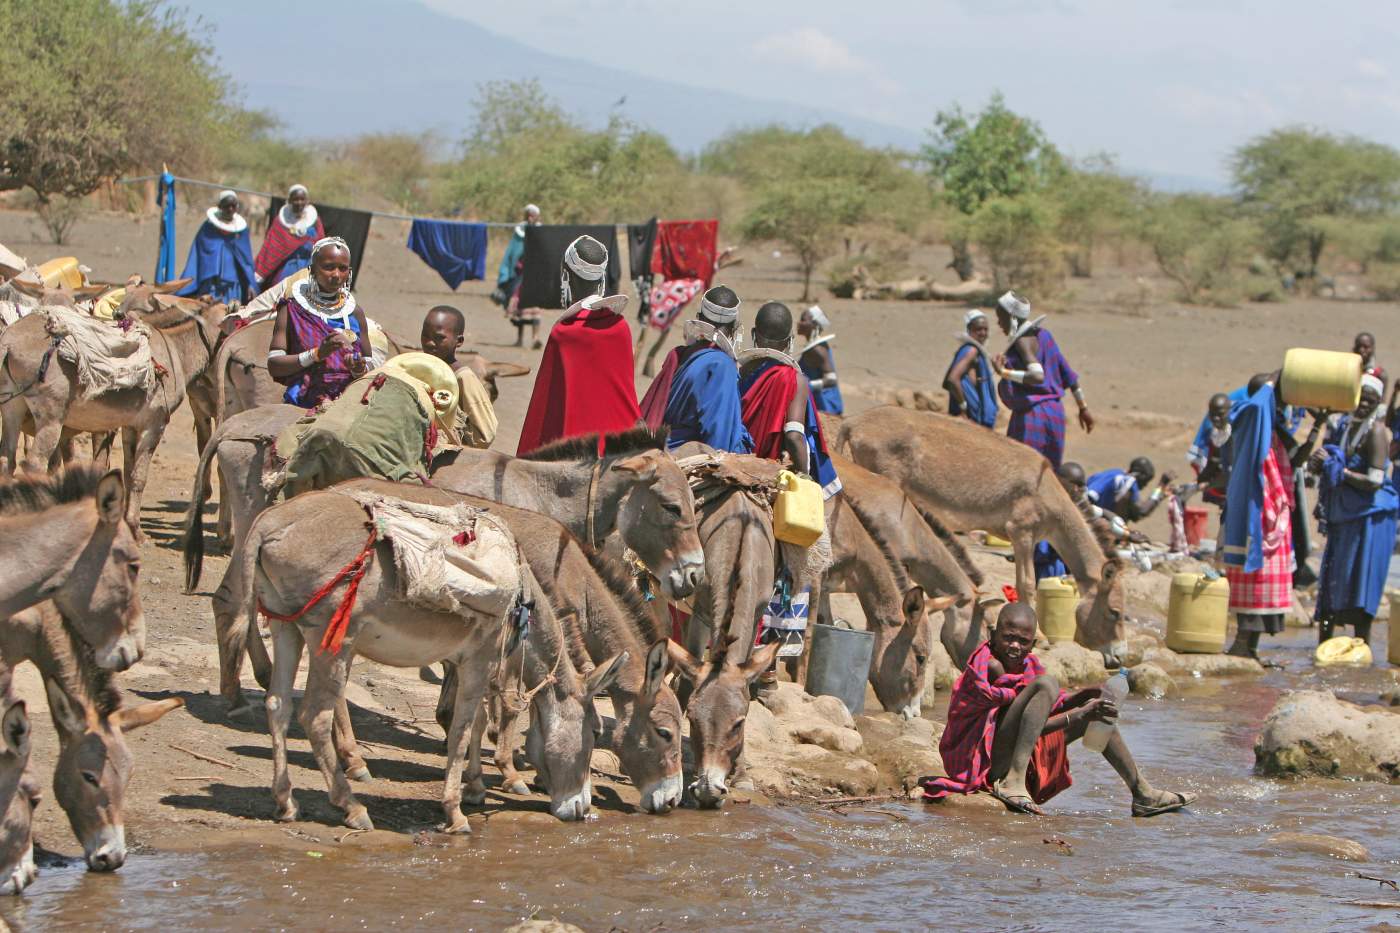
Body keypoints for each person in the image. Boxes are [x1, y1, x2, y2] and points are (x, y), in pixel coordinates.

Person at [921, 603, 1193, 817]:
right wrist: (1076, 715)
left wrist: (1081, 700)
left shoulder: (1028, 666)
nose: (1015, 646)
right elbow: (1011, 728)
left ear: (1033, 644)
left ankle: (1143, 793)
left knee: (1097, 715)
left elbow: (1033, 721)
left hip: (1014, 750)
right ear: (993, 635)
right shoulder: (990, 667)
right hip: (986, 762)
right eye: (1008, 638)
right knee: (1048, 685)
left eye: (1023, 641)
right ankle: (1013, 782)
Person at [1222, 372, 1322, 659]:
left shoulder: (1271, 427)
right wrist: (1270, 384)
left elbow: (1296, 459)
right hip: (1254, 513)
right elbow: (1256, 406)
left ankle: (1250, 648)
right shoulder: (1249, 419)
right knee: (1253, 578)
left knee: (1267, 579)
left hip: (1274, 516)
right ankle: (1242, 643)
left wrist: (1319, 424)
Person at [515, 235, 641, 455]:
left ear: (565, 274)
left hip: (574, 452)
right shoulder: (620, 328)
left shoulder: (564, 333)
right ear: (601, 278)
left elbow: (547, 407)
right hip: (620, 449)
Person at [1310, 375, 1397, 645]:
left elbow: (1375, 480)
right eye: (1362, 396)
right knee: (1335, 577)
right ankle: (1324, 644)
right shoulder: (1346, 425)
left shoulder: (1377, 432)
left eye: (1371, 399)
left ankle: (1362, 644)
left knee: (1360, 583)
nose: (1364, 403)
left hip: (1370, 517)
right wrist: (1320, 462)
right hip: (1345, 512)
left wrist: (1340, 471)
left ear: (1378, 402)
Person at [738, 302, 841, 497]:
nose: (802, 323)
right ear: (790, 340)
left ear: (753, 333)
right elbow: (794, 436)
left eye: (805, 319)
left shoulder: (739, 372)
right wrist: (804, 479)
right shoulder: (793, 379)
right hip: (764, 469)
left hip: (736, 462)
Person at [267, 237, 372, 409]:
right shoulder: (292, 309)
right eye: (329, 267)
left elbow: (370, 367)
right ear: (313, 270)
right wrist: (316, 354)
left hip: (350, 403)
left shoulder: (355, 313)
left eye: (342, 268)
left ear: (349, 272)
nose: (336, 275)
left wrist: (358, 368)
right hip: (304, 401)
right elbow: (274, 365)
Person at [648, 285, 753, 453]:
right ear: (734, 328)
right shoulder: (722, 366)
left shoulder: (680, 354)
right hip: (691, 458)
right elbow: (719, 436)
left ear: (699, 319)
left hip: (666, 450)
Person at [993, 291, 1093, 467]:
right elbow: (1069, 375)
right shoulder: (1045, 336)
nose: (998, 323)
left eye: (1000, 318)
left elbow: (1037, 376)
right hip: (1055, 415)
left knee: (1022, 470)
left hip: (1032, 416)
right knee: (1048, 473)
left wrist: (1003, 373)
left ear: (1011, 318)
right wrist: (1083, 408)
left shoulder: (1022, 342)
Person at [419, 305, 497, 449]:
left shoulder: (463, 378)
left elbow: (485, 434)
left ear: (459, 341)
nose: (429, 343)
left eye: (439, 338)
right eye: (425, 335)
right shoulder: (420, 369)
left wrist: (446, 435)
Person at [177, 190, 255, 304]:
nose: (230, 209)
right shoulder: (208, 229)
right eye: (227, 206)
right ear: (220, 207)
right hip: (211, 285)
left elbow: (246, 261)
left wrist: (250, 283)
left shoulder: (241, 232)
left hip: (233, 286)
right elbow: (199, 255)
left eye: (233, 206)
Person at [255, 184, 324, 287]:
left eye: (302, 199)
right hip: (287, 268)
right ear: (290, 200)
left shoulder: (315, 221)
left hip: (309, 268)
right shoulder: (281, 222)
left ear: (307, 201)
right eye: (295, 199)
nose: (299, 202)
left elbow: (322, 244)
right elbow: (271, 248)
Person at [496, 204, 542, 349]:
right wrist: (506, 272)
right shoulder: (519, 232)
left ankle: (535, 338)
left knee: (535, 310)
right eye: (528, 214)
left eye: (533, 215)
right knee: (520, 310)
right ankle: (520, 340)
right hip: (520, 275)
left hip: (534, 276)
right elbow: (512, 253)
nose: (530, 217)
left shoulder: (541, 232)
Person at [943, 309, 999, 428]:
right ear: (969, 330)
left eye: (986, 329)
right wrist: (963, 408)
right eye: (978, 329)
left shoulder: (974, 351)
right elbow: (953, 379)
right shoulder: (971, 351)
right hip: (969, 417)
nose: (983, 333)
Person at [1086, 457, 1173, 523]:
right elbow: (1142, 511)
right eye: (1145, 481)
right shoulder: (1128, 481)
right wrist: (1160, 487)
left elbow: (1134, 515)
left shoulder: (1110, 474)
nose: (1145, 486)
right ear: (1138, 475)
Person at [1188, 393, 1234, 512]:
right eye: (1212, 414)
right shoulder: (1216, 432)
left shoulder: (1234, 433)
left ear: (1229, 411)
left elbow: (1228, 470)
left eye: (1220, 414)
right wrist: (1201, 480)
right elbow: (1214, 460)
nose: (1216, 418)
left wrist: (1204, 485)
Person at [796, 305, 843, 415]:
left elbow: (831, 379)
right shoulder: (817, 346)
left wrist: (808, 386)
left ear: (814, 325)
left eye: (803, 320)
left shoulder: (817, 349)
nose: (799, 323)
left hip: (825, 406)